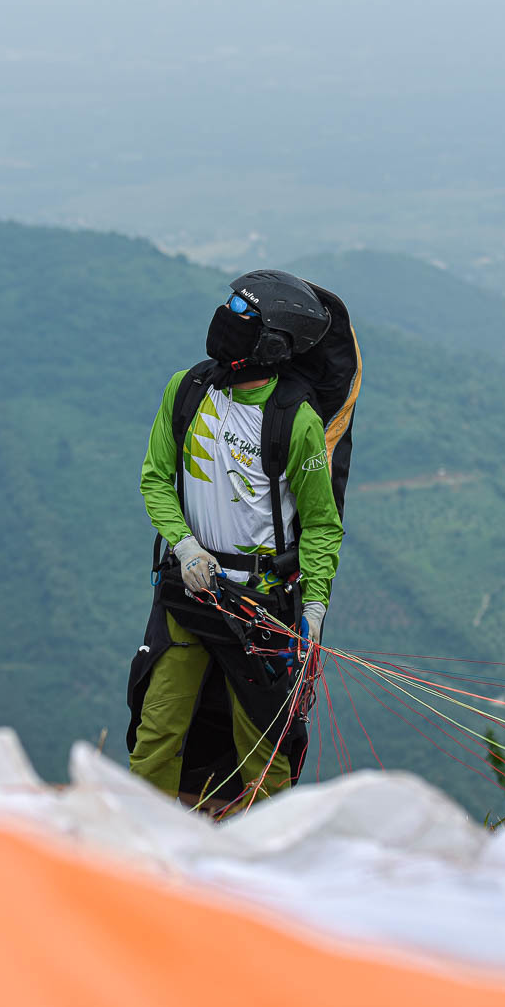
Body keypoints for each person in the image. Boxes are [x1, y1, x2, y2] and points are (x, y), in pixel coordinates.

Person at [128, 270, 345, 806]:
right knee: (156, 733)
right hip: (189, 591)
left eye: (243, 312)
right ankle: (138, 855)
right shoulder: (187, 390)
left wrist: (313, 611)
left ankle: (265, 861)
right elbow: (156, 478)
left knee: (264, 750)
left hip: (260, 605)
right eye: (228, 304)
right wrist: (185, 546)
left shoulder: (295, 422)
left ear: (272, 342)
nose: (227, 317)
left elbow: (320, 522)